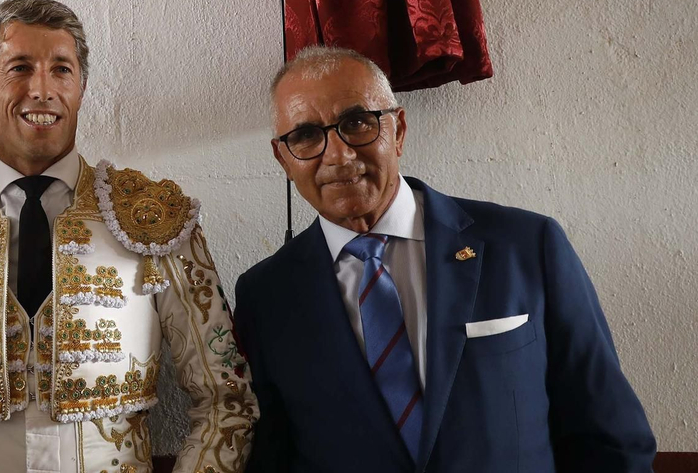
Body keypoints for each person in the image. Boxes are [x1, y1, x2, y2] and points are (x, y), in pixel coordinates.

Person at [0, 0, 254, 473]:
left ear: (82, 87)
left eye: (62, 70)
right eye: (20, 68)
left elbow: (224, 400)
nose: (42, 90)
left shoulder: (154, 222)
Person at [235, 45, 656, 473]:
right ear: (283, 157)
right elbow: (275, 455)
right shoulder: (266, 295)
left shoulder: (527, 246)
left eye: (357, 122)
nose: (338, 155)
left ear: (397, 129)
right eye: (306, 135)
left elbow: (611, 438)